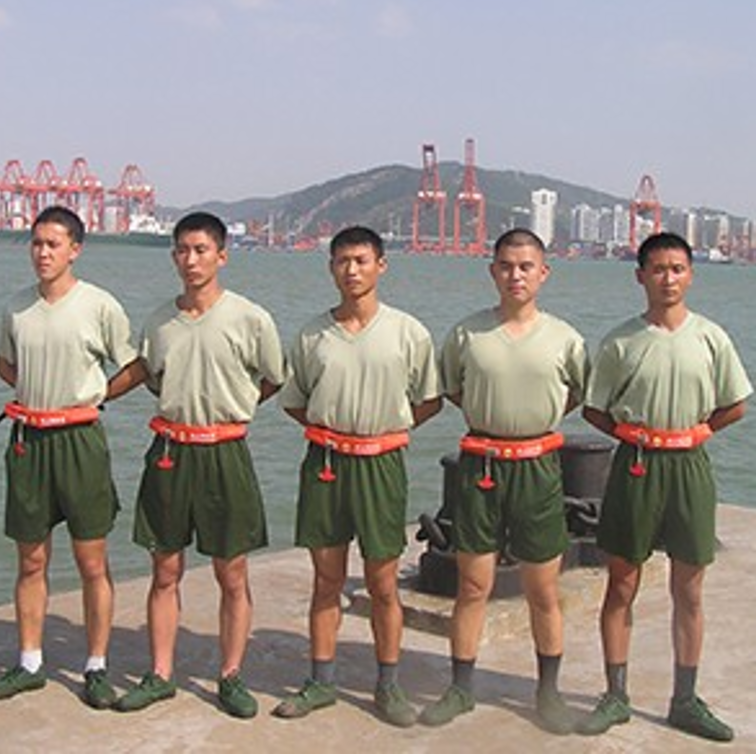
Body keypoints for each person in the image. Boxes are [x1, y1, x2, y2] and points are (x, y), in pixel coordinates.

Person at [577, 232, 752, 742]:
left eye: (677, 269)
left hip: (689, 465)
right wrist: (630, 434)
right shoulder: (621, 342)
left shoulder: (711, 338)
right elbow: (594, 408)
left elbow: (736, 403)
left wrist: (701, 431)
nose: (668, 278)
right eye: (658, 269)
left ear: (690, 275)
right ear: (641, 277)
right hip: (635, 466)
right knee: (621, 584)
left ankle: (685, 699)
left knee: (689, 588)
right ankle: (616, 695)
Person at [112, 212, 285, 718]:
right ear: (173, 257)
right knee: (165, 568)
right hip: (170, 451)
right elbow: (150, 374)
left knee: (232, 572)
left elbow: (274, 378)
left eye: (201, 250)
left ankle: (230, 675)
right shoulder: (160, 321)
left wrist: (237, 405)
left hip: (225, 451)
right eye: (183, 251)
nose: (191, 260)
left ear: (222, 256)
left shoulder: (251, 318)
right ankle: (160, 674)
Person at [419, 228, 588, 734]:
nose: (516, 275)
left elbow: (579, 392)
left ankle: (548, 692)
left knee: (543, 589)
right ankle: (460, 688)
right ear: (492, 270)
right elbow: (452, 388)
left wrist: (532, 422)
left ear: (543, 273)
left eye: (526, 266)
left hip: (538, 468)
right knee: (473, 585)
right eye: (506, 266)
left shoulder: (565, 338)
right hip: (481, 467)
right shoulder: (468, 335)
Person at [272, 225, 441, 727]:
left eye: (362, 260)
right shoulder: (312, 335)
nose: (352, 270)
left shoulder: (408, 332)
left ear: (380, 265)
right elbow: (295, 401)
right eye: (342, 261)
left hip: (381, 465)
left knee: (382, 583)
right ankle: (321, 682)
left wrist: (385, 429)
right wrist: (333, 431)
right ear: (331, 268)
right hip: (325, 464)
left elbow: (429, 400)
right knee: (326, 579)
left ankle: (388, 685)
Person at [0, 205, 138, 709]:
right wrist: (34, 390)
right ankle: (29, 663)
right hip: (28, 439)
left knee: (92, 560)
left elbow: (134, 366)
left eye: (53, 244)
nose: (43, 253)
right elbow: (4, 363)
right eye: (37, 243)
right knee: (31, 558)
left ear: (75, 250)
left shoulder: (99, 305)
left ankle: (96, 665)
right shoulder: (17, 308)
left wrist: (95, 395)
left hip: (80, 442)